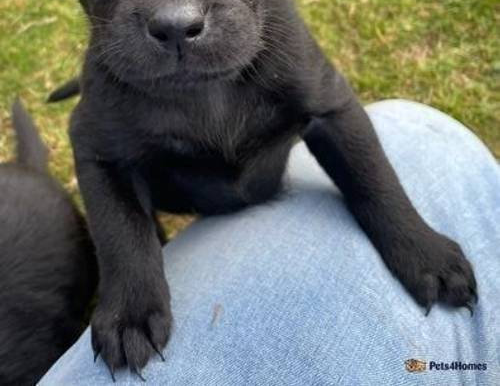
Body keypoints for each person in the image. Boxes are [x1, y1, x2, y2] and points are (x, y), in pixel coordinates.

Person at [39, 100, 500, 385]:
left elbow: (329, 112)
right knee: (416, 132)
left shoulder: (281, 45)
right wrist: (132, 278)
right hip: (176, 187)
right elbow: (100, 154)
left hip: (254, 177)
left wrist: (402, 230)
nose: (176, 9)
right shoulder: (112, 93)